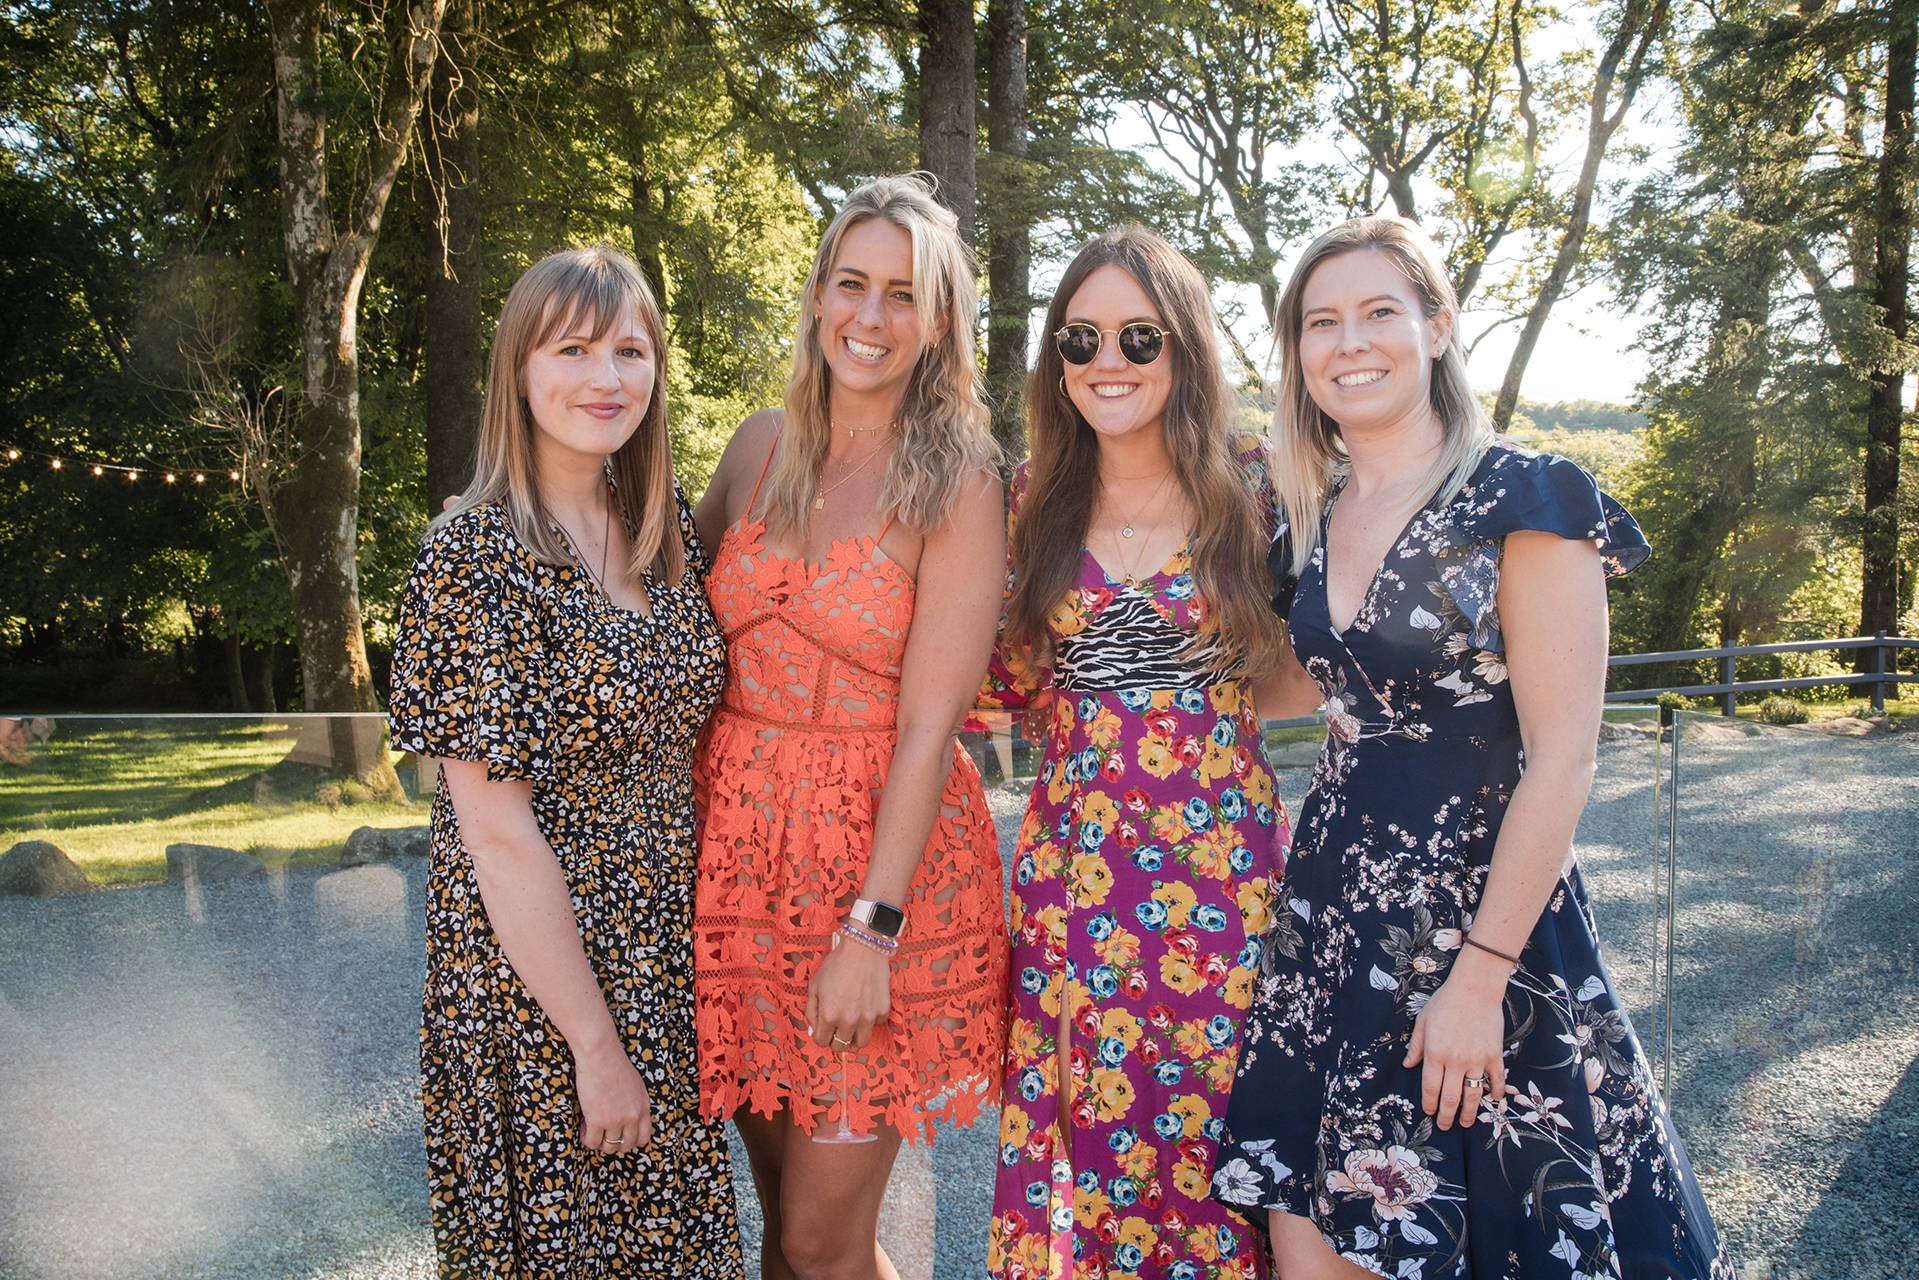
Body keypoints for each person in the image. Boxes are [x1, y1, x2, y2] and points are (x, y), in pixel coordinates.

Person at [1208, 216, 1731, 1279]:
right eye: (1321, 322)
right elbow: (1295, 685)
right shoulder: (1309, 514)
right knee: (1313, 1245)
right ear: (1297, 350)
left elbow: (1565, 758)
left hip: (1483, 920)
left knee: (1489, 1239)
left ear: (1437, 327)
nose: (1349, 342)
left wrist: (1479, 977)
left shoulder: (1525, 499)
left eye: (1378, 313)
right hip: (1332, 912)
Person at [976, 226, 1322, 1280]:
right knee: (1087, 1137)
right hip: (1073, 880)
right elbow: (994, 682)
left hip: (1222, 871)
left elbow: (1324, 660)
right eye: (1080, 340)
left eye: (1139, 336)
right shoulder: (1027, 498)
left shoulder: (1257, 485)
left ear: (1185, 349)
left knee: (1219, 1132)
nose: (1107, 362)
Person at [388, 246, 741, 1277]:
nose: (607, 376)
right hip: (538, 989)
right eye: (575, 348)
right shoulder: (471, 553)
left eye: (631, 349)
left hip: (660, 962)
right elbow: (495, 834)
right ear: (519, 370)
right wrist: (595, 1045)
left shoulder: (660, 528)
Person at [691, 174, 1010, 1280]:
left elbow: (931, 724)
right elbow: (649, 604)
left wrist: (869, 930)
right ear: (820, 293)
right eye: (852, 284)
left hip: (875, 875)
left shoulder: (960, 480)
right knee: (782, 1218)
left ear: (939, 321)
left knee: (822, 1241)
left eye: (903, 294)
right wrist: (506, 517)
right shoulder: (756, 446)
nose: (870, 318)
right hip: (731, 868)